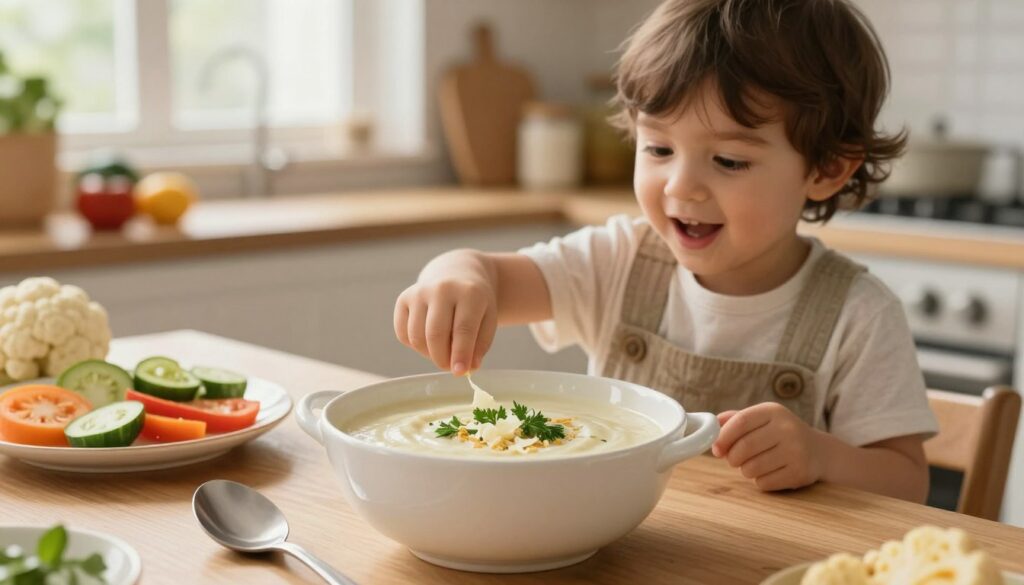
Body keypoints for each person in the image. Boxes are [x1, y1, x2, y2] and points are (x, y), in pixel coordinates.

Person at [394, 0, 937, 502]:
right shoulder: (619, 260)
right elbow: (491, 275)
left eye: (728, 161)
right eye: (658, 148)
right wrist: (455, 276)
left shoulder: (860, 314)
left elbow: (907, 481)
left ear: (826, 169)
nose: (681, 187)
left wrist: (820, 456)